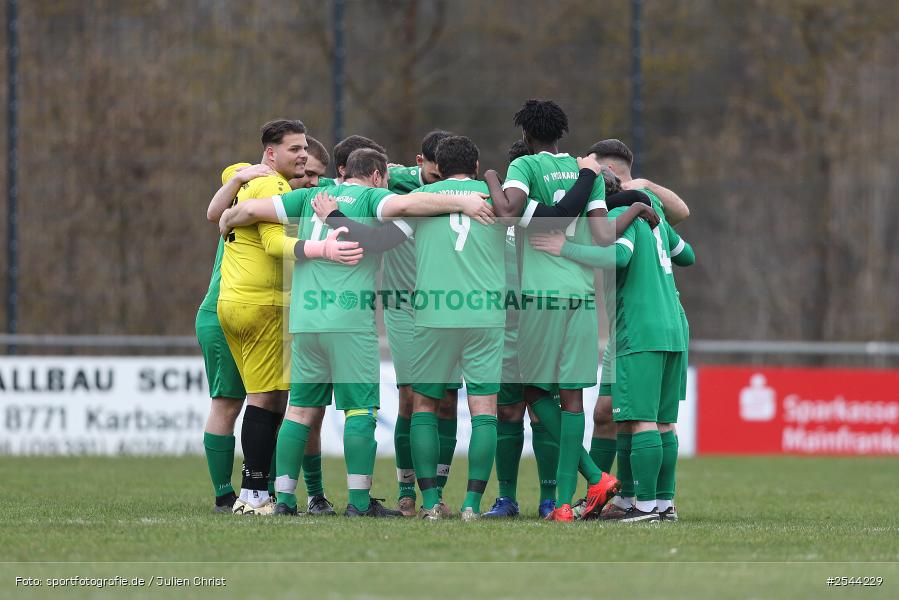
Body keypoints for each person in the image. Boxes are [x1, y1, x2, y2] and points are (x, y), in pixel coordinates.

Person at [217, 148, 493, 517]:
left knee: (299, 411)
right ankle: (360, 502)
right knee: (360, 411)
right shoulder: (371, 196)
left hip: (306, 320)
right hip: (348, 320)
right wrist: (462, 202)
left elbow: (251, 211)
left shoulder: (311, 196)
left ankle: (283, 500)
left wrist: (228, 218)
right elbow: (411, 205)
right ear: (378, 176)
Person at [483, 100, 654, 521]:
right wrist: (634, 206)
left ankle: (594, 475)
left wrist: (491, 176)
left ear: (525, 136)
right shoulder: (590, 173)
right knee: (572, 398)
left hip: (540, 297)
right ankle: (561, 504)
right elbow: (601, 236)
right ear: (562, 132)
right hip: (581, 297)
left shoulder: (525, 167)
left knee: (532, 391)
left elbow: (509, 210)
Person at [216, 119, 361, 515]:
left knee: (272, 402)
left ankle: (267, 492)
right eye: (297, 153)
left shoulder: (242, 175)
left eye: (308, 159)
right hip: (264, 303)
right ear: (271, 153)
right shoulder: (274, 186)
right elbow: (272, 241)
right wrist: (323, 250)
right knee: (269, 401)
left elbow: (215, 210)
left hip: (235, 301)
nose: (306, 171)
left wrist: (229, 211)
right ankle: (253, 494)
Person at [396, 135, 510, 521]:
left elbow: (384, 233)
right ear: (477, 167)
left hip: (433, 315)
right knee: (485, 410)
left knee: (423, 405)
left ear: (437, 168)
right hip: (485, 315)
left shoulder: (422, 202)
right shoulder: (498, 199)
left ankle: (429, 504)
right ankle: (471, 506)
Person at [585, 139, 691, 521]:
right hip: (663, 324)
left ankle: (644, 504)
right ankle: (644, 500)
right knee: (625, 414)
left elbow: (619, 253)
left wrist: (562, 249)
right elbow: (687, 255)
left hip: (638, 326)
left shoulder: (628, 209)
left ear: (605, 171)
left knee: (640, 416)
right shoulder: (645, 210)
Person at [383, 129, 461, 517]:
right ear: (419, 164)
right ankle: (405, 490)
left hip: (449, 307)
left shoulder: (462, 189)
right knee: (411, 397)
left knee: (447, 399)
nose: (440, 187)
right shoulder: (392, 182)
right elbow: (348, 181)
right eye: (433, 178)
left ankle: (437, 490)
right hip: (403, 307)